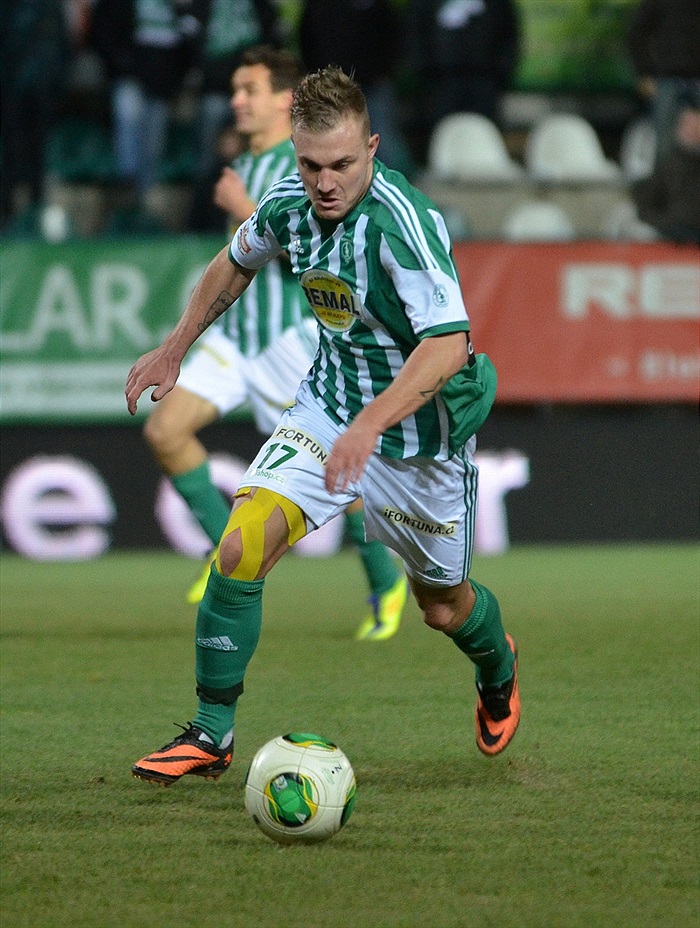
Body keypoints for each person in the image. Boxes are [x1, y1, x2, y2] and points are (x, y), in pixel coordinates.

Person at [125, 65, 520, 785]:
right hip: (327, 408)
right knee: (241, 545)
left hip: (419, 439)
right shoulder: (288, 202)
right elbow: (234, 262)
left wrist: (370, 426)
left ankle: (498, 666)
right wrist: (174, 347)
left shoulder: (405, 224)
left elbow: (447, 346)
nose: (325, 182)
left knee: (442, 608)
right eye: (311, 166)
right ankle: (212, 732)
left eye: (341, 164)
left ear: (371, 147)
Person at [142, 46, 408, 641]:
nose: (237, 100)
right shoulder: (245, 163)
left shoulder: (302, 169)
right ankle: (223, 550)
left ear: (285, 100)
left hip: (286, 342)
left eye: (250, 89)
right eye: (235, 89)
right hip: (236, 338)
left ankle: (384, 581)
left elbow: (317, 255)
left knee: (338, 470)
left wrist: (242, 211)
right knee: (164, 430)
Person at [297, 0, 414, 176]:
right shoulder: (319, 6)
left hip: (373, 84)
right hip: (332, 87)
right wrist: (320, 75)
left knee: (384, 137)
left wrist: (385, 71)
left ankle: (399, 183)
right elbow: (308, 39)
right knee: (331, 137)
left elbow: (394, 34)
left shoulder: (377, 5)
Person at [404, 0, 520, 161]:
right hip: (442, 82)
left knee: (485, 133)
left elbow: (508, 35)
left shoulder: (497, 3)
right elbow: (416, 35)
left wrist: (499, 74)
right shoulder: (425, 4)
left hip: (483, 80)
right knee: (441, 136)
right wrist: (425, 74)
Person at [628, 0, 700, 167]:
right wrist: (645, 73)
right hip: (667, 79)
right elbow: (637, 34)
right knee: (665, 148)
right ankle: (665, 183)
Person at [630, 105, 700, 244]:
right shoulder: (670, 163)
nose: (689, 130)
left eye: (694, 125)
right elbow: (646, 203)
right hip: (671, 237)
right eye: (685, 124)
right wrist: (668, 224)